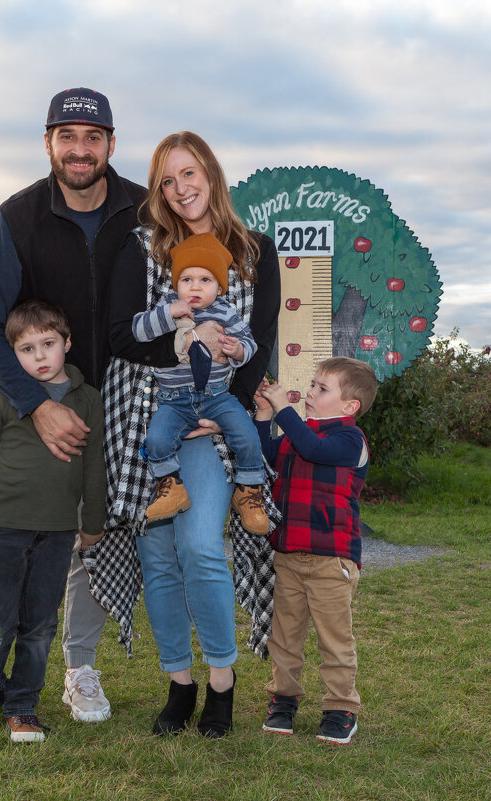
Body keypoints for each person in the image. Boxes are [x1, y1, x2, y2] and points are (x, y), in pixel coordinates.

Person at [0, 87, 152, 727]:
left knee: (94, 534)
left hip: (118, 399)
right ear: (49, 142)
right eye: (67, 136)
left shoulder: (147, 211)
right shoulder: (17, 216)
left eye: (92, 137)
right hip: (26, 395)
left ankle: (80, 669)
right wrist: (35, 402)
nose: (79, 149)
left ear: (112, 143)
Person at [102, 131, 281, 737]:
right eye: (167, 180)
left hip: (215, 422)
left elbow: (259, 340)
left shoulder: (256, 250)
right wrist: (181, 360)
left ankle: (223, 685)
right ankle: (179, 682)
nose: (180, 189)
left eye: (189, 174)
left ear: (211, 172)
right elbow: (121, 338)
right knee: (156, 552)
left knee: (201, 546)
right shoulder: (142, 247)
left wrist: (221, 399)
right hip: (148, 414)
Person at [0, 300, 106, 743]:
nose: (39, 357)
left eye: (48, 344)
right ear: (12, 355)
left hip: (58, 531)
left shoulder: (87, 399)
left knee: (38, 626)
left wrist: (91, 523)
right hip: (2, 526)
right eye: (26, 349)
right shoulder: (4, 396)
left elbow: (94, 466)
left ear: (67, 343)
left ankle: (23, 708)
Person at [254, 357, 378, 745]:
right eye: (312, 384)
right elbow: (264, 457)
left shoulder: (349, 440)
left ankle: (341, 709)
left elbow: (313, 449)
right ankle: (283, 701)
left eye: (321, 388)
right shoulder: (298, 434)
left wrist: (282, 409)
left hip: (332, 559)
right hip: (288, 554)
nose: (310, 392)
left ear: (349, 406)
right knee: (284, 636)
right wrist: (262, 416)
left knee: (334, 639)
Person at [132, 232, 269, 534]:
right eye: (187, 279)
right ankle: (170, 485)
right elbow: (138, 330)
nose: (194, 286)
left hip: (217, 396)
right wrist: (169, 314)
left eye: (205, 280)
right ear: (175, 284)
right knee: (156, 440)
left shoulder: (224, 311)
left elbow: (250, 343)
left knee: (246, 435)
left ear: (220, 287)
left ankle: (248, 490)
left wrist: (237, 351)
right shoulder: (167, 305)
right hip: (172, 399)